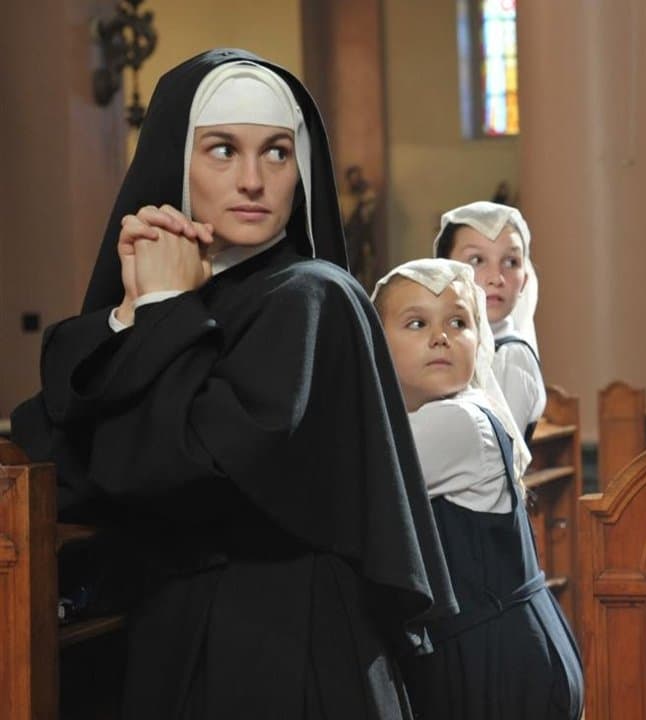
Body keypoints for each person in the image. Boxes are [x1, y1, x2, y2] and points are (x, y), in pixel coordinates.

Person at [11, 48, 454, 719]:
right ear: (176, 164)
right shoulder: (182, 297)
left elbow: (180, 470)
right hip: (176, 633)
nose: (253, 180)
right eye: (222, 150)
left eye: (276, 153)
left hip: (287, 648)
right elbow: (53, 446)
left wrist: (165, 311)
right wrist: (132, 311)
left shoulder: (314, 297)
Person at [373, 258, 584, 719]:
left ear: (479, 337)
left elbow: (352, 480)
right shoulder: (442, 414)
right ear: (376, 341)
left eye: (458, 322)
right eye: (416, 323)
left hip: (500, 657)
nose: (440, 337)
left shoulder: (460, 421)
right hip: (497, 645)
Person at [435, 202, 545, 443]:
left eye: (511, 262)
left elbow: (496, 451)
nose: (496, 278)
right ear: (444, 271)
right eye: (477, 260)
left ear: (525, 280)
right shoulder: (439, 346)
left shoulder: (511, 357)